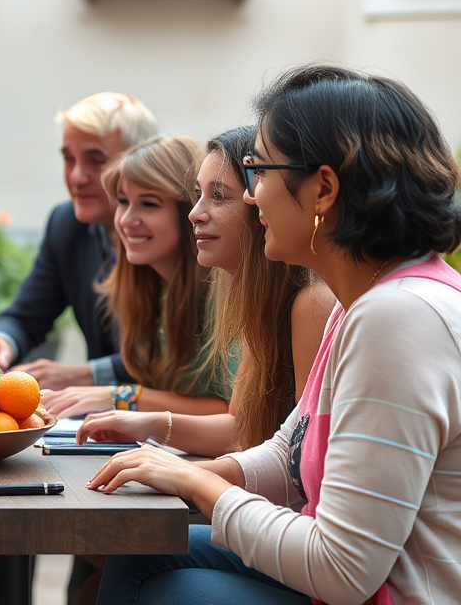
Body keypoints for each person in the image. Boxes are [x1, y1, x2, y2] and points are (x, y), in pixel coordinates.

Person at [89, 65, 461, 605]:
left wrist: (199, 485)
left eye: (257, 171)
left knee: (176, 590)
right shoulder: (367, 302)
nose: (248, 196)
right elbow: (289, 453)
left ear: (323, 190)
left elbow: (342, 569)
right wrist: (171, 472)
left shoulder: (399, 317)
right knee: (143, 549)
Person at [75, 126, 333, 455]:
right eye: (198, 194)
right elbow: (241, 430)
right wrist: (149, 424)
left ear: (259, 204)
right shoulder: (247, 295)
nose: (194, 213)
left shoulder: (312, 301)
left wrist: (130, 405)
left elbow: (298, 463)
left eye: (219, 195)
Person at [0, 92, 158, 390]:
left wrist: (86, 375)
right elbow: (25, 317)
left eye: (96, 161)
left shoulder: (169, 233)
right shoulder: (67, 224)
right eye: (68, 159)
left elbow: (172, 357)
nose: (76, 177)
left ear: (141, 162)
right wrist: (0, 339)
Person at [42, 135, 234, 420]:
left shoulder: (225, 289)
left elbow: (231, 414)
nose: (127, 220)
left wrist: (119, 396)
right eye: (122, 202)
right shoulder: (148, 288)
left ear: (188, 212)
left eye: (149, 204)